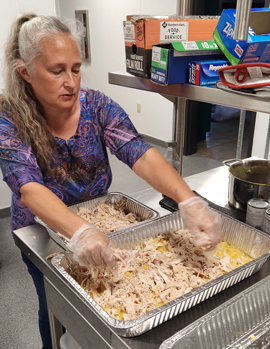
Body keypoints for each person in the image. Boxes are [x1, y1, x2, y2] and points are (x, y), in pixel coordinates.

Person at [0, 13, 222, 349]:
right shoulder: (9, 117)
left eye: (75, 69)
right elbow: (29, 187)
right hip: (43, 233)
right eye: (57, 71)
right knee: (54, 309)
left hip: (102, 228)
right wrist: (81, 230)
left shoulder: (96, 105)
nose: (71, 82)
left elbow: (140, 152)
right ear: (26, 73)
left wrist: (188, 200)